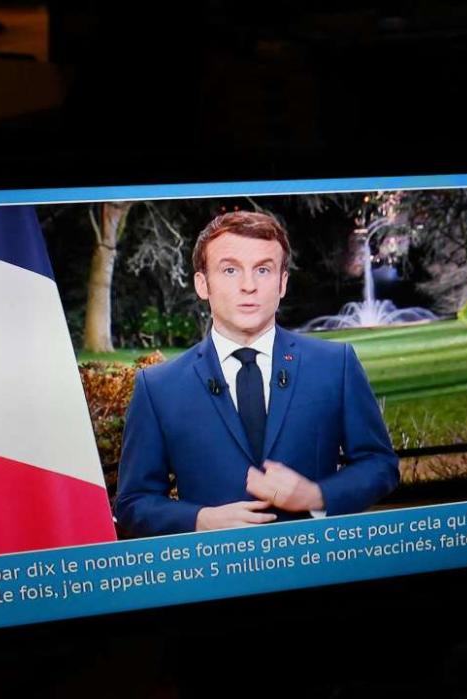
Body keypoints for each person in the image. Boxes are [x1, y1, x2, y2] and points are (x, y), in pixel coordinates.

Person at [115, 211, 399, 536]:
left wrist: (316, 496)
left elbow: (380, 464)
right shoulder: (158, 387)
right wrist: (199, 520)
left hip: (315, 566)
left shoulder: (335, 364)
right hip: (215, 576)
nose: (248, 286)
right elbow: (133, 502)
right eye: (230, 270)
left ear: (282, 283)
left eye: (263, 270)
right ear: (202, 284)